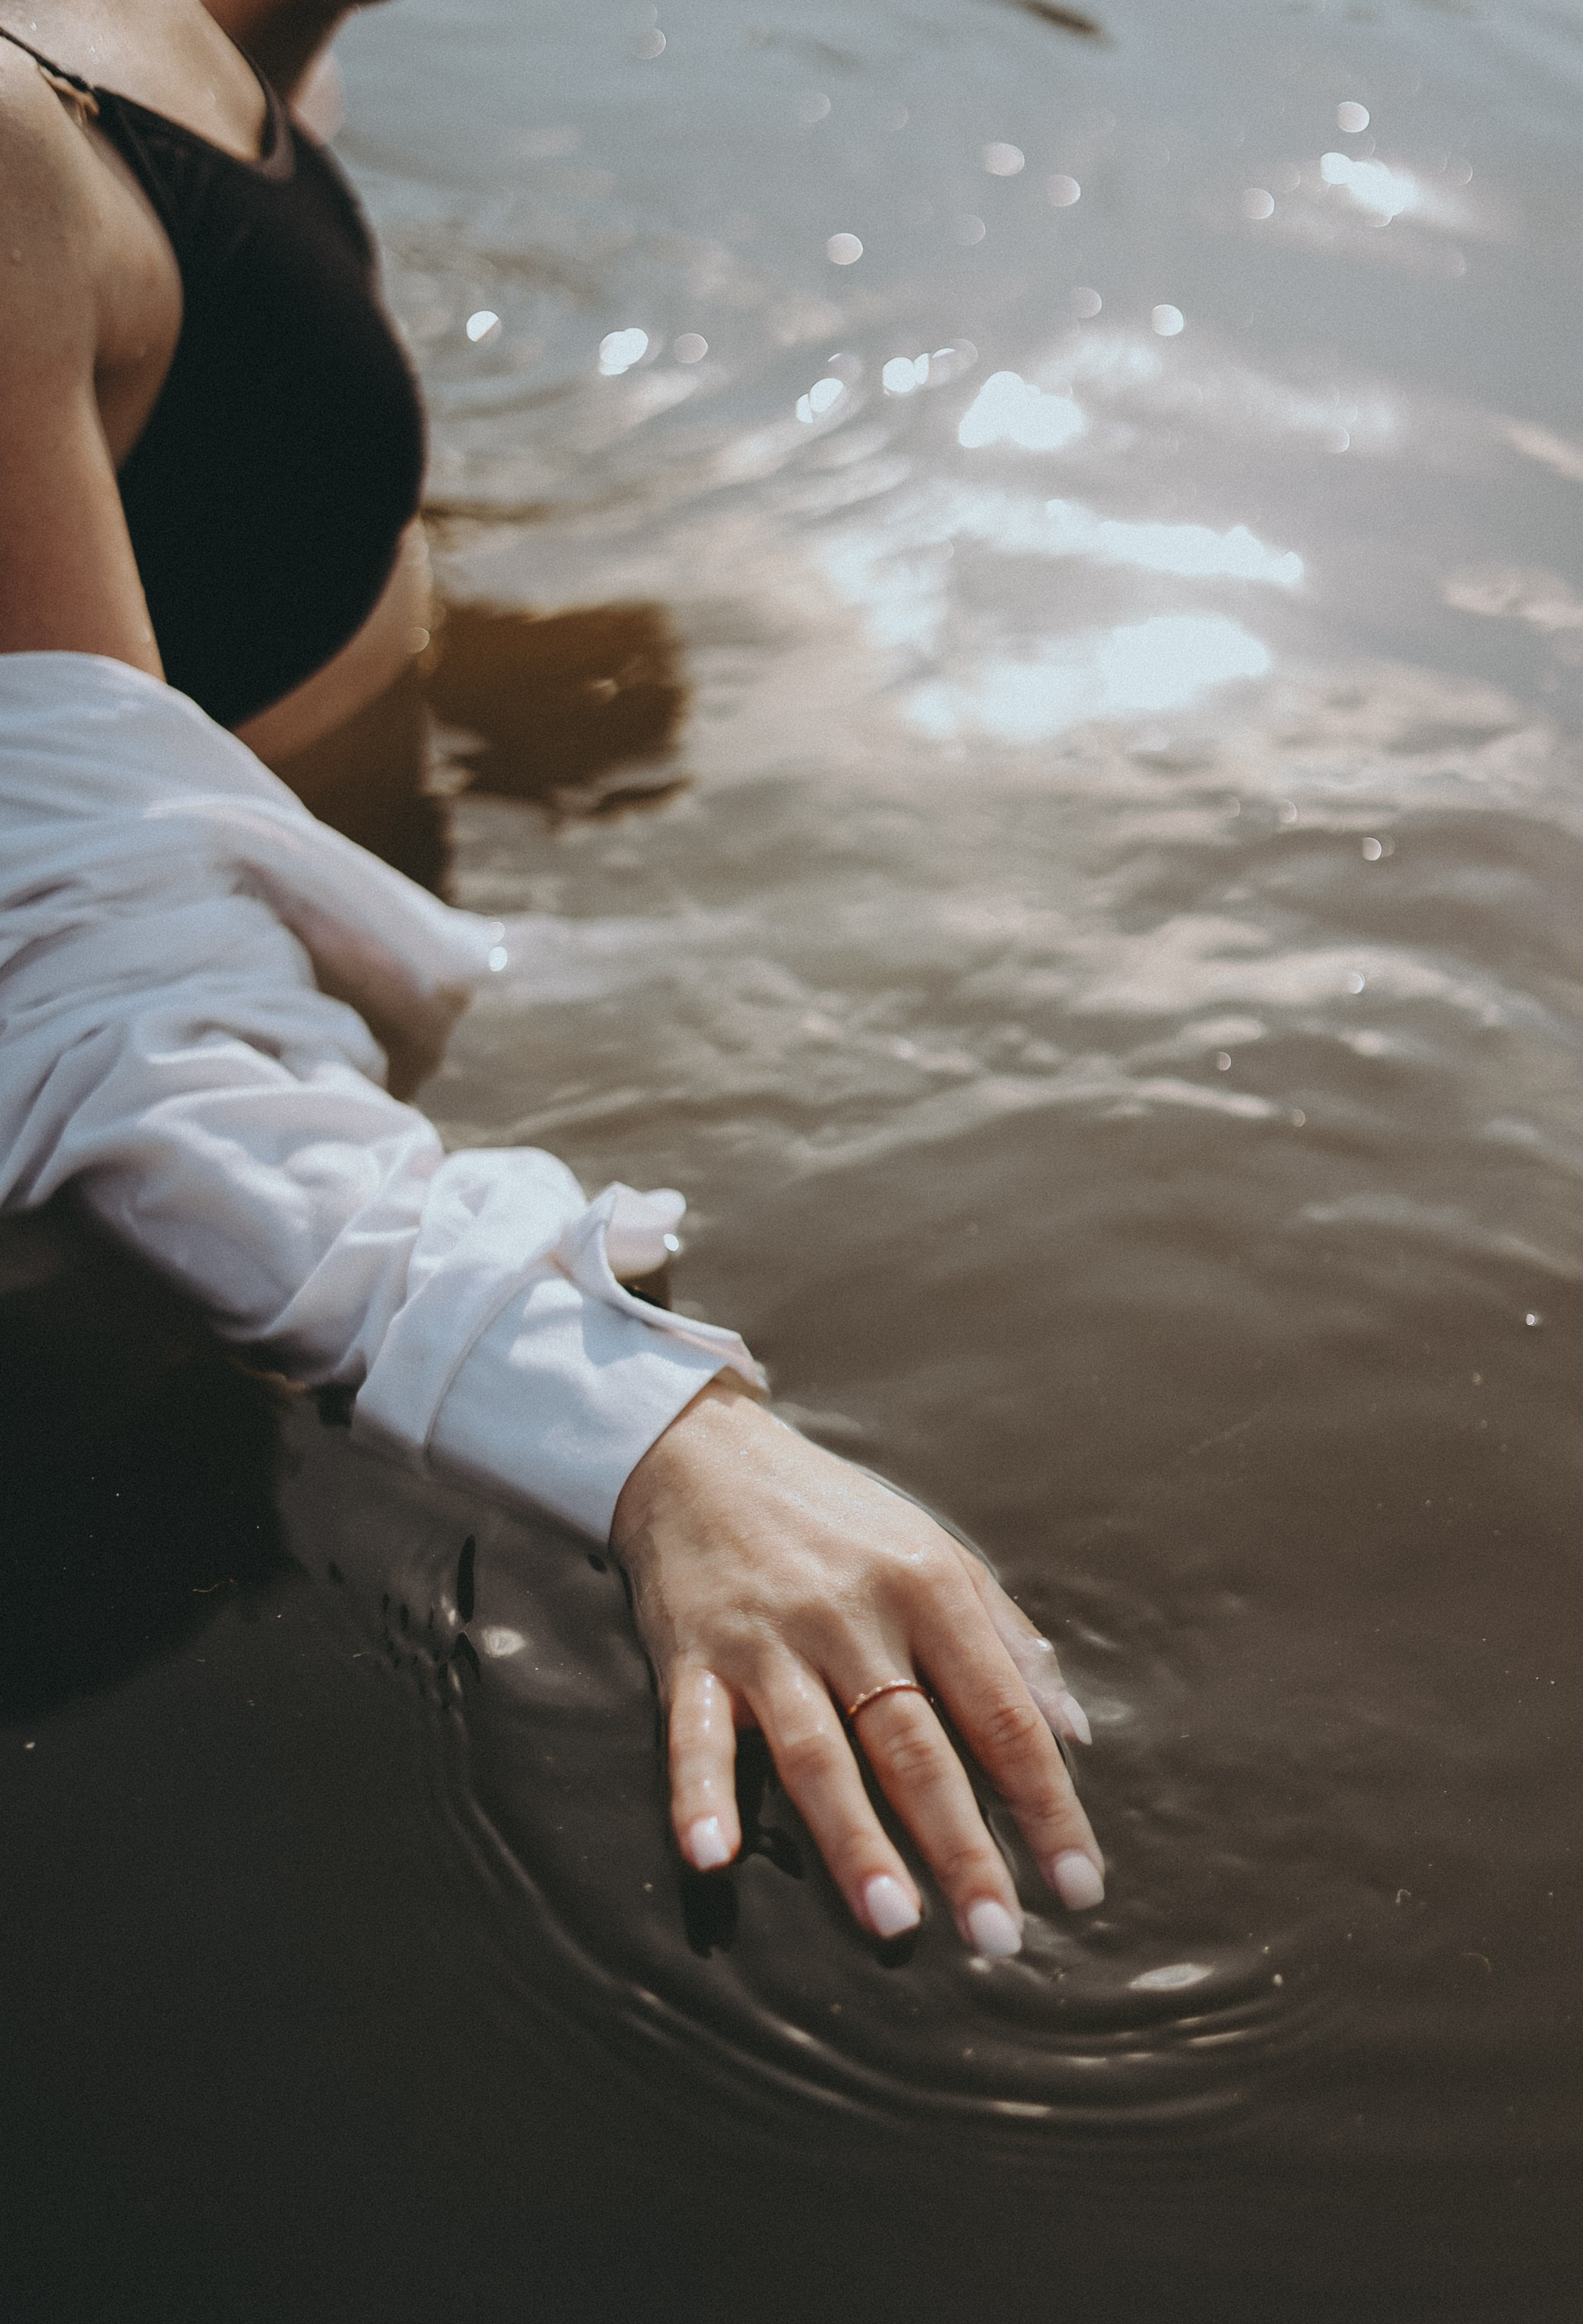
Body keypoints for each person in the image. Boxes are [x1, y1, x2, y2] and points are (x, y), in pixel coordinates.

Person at [0, 0, 1106, 1958]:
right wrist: (655, 1428)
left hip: (340, 977)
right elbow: (92, 1019)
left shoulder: (242, 38)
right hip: (137, 1233)